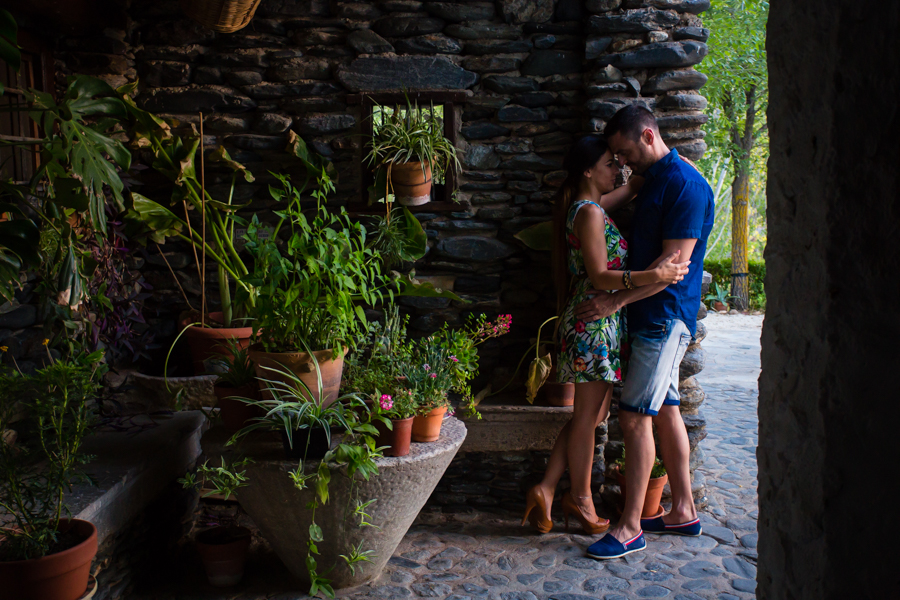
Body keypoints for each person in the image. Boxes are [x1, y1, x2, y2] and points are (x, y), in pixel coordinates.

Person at [521, 134, 690, 535]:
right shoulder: (589, 212)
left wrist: (679, 165)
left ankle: (546, 489)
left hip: (597, 321)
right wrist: (656, 275)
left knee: (592, 415)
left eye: (620, 161)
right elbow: (599, 275)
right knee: (587, 418)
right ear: (588, 170)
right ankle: (580, 498)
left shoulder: (588, 207)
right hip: (593, 320)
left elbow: (633, 186)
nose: (619, 169)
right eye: (610, 163)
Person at [576, 106, 715, 560]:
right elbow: (596, 205)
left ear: (649, 135)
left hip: (664, 318)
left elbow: (670, 269)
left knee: (635, 417)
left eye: (625, 151)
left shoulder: (686, 187)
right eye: (614, 156)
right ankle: (683, 511)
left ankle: (630, 527)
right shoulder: (654, 177)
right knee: (668, 408)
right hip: (649, 313)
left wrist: (615, 300)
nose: (622, 161)